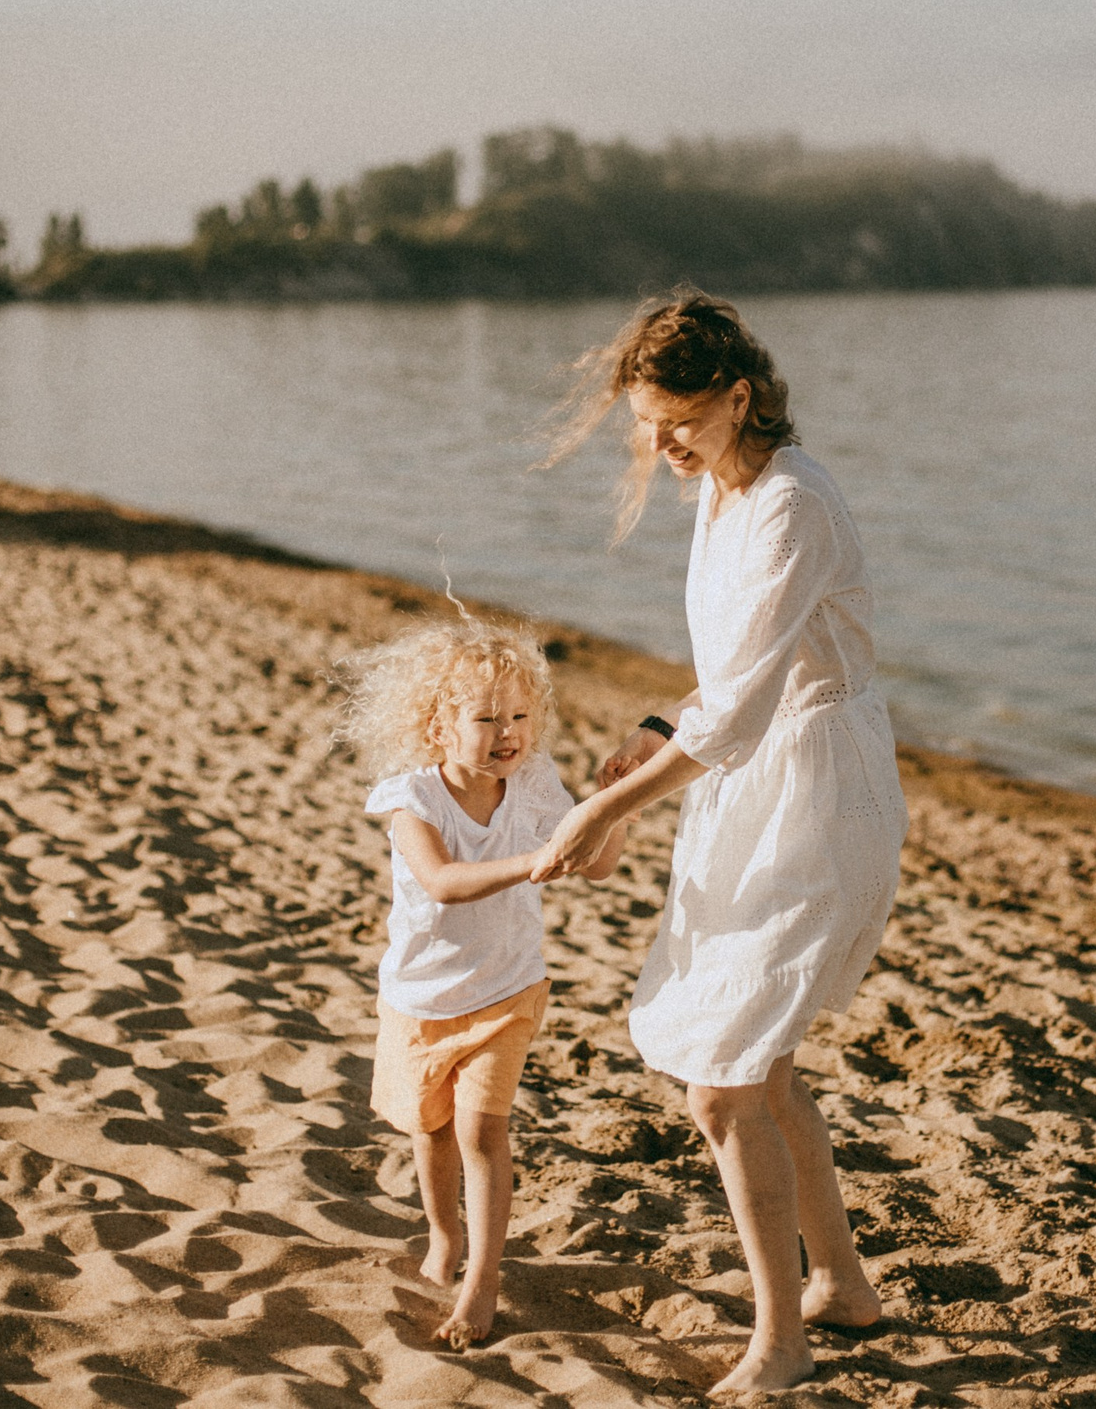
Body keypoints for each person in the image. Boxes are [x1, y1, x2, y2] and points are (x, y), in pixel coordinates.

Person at [533, 289, 907, 1395]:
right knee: (763, 1067)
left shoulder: (792, 503)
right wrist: (657, 727)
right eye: (648, 427)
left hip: (817, 791)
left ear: (739, 397)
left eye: (680, 423)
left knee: (725, 1085)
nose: (663, 448)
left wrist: (607, 811)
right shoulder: (722, 488)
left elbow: (745, 713)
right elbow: (736, 671)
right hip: (755, 781)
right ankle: (842, 1287)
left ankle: (781, 1343)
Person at [343, 616, 611, 1348]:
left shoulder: (534, 782)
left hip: (507, 989)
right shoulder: (411, 799)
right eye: (487, 718)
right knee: (430, 1131)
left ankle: (482, 1278)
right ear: (438, 728)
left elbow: (599, 863)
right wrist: (532, 863)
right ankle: (444, 1235)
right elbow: (443, 881)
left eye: (520, 716)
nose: (508, 734)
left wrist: (609, 807)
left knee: (481, 1129)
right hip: (421, 996)